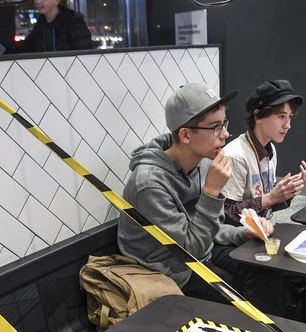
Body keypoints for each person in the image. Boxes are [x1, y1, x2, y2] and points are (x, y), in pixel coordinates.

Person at [117, 83, 281, 315]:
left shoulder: (203, 162)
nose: (225, 134)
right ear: (185, 134)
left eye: (224, 123)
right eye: (215, 127)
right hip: (169, 270)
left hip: (203, 251)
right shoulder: (149, 183)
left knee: (267, 271)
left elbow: (208, 227)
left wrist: (243, 233)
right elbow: (190, 249)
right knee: (244, 303)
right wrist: (211, 192)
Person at [222, 80, 306, 226]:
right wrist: (270, 197)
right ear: (258, 116)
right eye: (281, 116)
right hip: (240, 239)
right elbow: (227, 214)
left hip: (263, 230)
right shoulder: (236, 155)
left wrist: (291, 188)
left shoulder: (270, 149)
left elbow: (269, 205)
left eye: (290, 117)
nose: (288, 125)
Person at [13, 0, 93, 53]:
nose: (37, 1)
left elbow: (85, 56)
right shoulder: (40, 25)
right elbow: (25, 48)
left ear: (57, 0)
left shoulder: (74, 23)